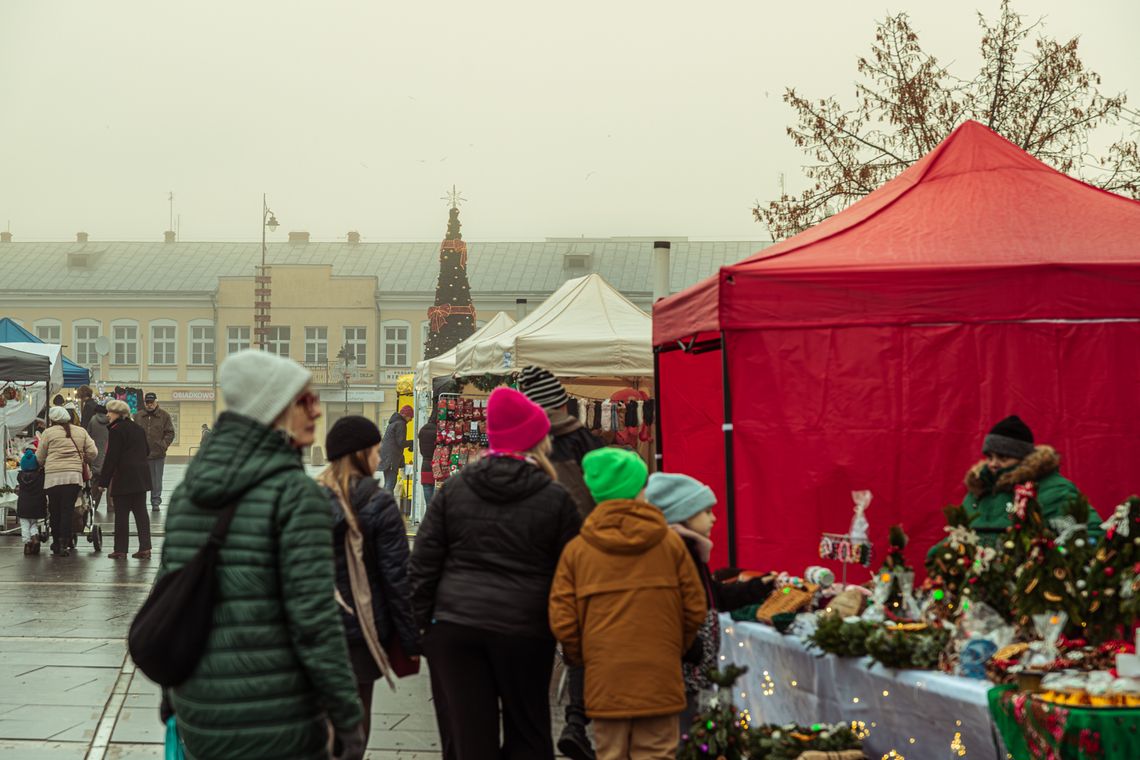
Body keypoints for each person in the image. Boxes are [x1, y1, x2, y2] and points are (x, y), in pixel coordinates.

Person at [159, 350, 365, 760]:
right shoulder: (296, 495)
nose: (317, 411)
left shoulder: (186, 493)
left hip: (199, 710)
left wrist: (172, 697)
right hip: (278, 716)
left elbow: (172, 602)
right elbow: (314, 620)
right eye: (305, 400)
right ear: (274, 409)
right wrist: (347, 716)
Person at [410, 387, 581, 760]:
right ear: (536, 441)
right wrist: (571, 637)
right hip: (525, 630)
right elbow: (573, 574)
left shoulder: (455, 490)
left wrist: (424, 628)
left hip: (456, 628)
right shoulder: (555, 497)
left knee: (469, 739)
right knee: (529, 733)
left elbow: (422, 565)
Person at [549, 448, 706, 760]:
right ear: (638, 491)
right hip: (659, 679)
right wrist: (673, 648)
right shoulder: (670, 544)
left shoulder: (578, 551)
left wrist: (585, 658)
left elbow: (563, 620)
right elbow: (694, 608)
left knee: (611, 753)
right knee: (657, 753)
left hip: (605, 681)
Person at [318, 416, 421, 746]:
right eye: (375, 451)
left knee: (321, 710)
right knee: (358, 711)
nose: (379, 458)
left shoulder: (311, 499)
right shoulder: (379, 503)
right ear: (360, 455)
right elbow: (397, 578)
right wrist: (411, 641)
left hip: (317, 626)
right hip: (362, 629)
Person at [645, 472, 775, 733]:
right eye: (706, 512)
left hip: (697, 668)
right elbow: (668, 608)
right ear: (683, 515)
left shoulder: (692, 551)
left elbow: (713, 596)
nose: (714, 518)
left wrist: (757, 587)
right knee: (686, 731)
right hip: (684, 672)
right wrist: (691, 647)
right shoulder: (676, 553)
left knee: (700, 728)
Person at [518, 364, 601, 760]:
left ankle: (532, 724)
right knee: (578, 641)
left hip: (534, 561)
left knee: (536, 643)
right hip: (583, 555)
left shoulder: (523, 446)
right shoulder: (586, 441)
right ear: (562, 403)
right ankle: (576, 721)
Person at [928, 415, 1102, 561]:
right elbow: (959, 535)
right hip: (976, 583)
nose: (993, 464)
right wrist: (939, 555)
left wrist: (1049, 561)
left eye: (1003, 458)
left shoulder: (1053, 489)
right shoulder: (979, 490)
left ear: (1024, 459)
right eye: (990, 457)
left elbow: (1089, 533)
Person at [36, 406, 98, 557]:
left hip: (53, 478)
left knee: (54, 510)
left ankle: (56, 542)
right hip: (73, 477)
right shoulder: (81, 431)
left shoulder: (48, 433)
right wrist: (83, 459)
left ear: (52, 419)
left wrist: (45, 463)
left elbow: (40, 457)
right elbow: (93, 452)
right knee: (67, 510)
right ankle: (64, 543)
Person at [99, 400, 153, 560]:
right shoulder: (138, 428)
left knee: (121, 515)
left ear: (118, 414)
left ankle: (120, 550)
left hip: (124, 477)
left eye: (110, 412)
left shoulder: (116, 430)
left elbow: (112, 457)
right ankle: (145, 548)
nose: (107, 415)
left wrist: (103, 482)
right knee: (141, 513)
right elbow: (147, 450)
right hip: (140, 477)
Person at [137, 392, 174, 512]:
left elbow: (170, 433)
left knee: (156, 480)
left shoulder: (164, 415)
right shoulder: (138, 416)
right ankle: (140, 502)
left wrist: (162, 445)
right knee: (140, 480)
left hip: (158, 454)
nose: (149, 404)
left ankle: (155, 502)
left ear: (156, 402)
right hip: (141, 454)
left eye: (151, 402)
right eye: (147, 402)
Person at [16, 444, 46, 555]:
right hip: (37, 504)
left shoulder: (20, 477)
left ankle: (28, 543)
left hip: (24, 505)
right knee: (33, 523)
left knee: (25, 525)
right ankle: (35, 537)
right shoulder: (41, 476)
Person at [380, 405, 414, 493]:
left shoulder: (393, 423)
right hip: (392, 458)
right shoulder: (401, 424)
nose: (411, 419)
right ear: (406, 415)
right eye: (410, 417)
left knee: (387, 482)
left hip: (385, 457)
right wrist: (412, 442)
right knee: (390, 483)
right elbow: (401, 442)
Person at [85, 403, 112, 509]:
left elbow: (88, 436)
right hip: (108, 454)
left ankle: (93, 504)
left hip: (96, 455)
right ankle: (111, 506)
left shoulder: (93, 420)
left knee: (95, 481)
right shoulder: (110, 420)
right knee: (110, 481)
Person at [417, 417, 438, 506]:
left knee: (427, 489)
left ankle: (429, 511)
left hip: (425, 465)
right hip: (437, 465)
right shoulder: (438, 431)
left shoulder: (422, 430)